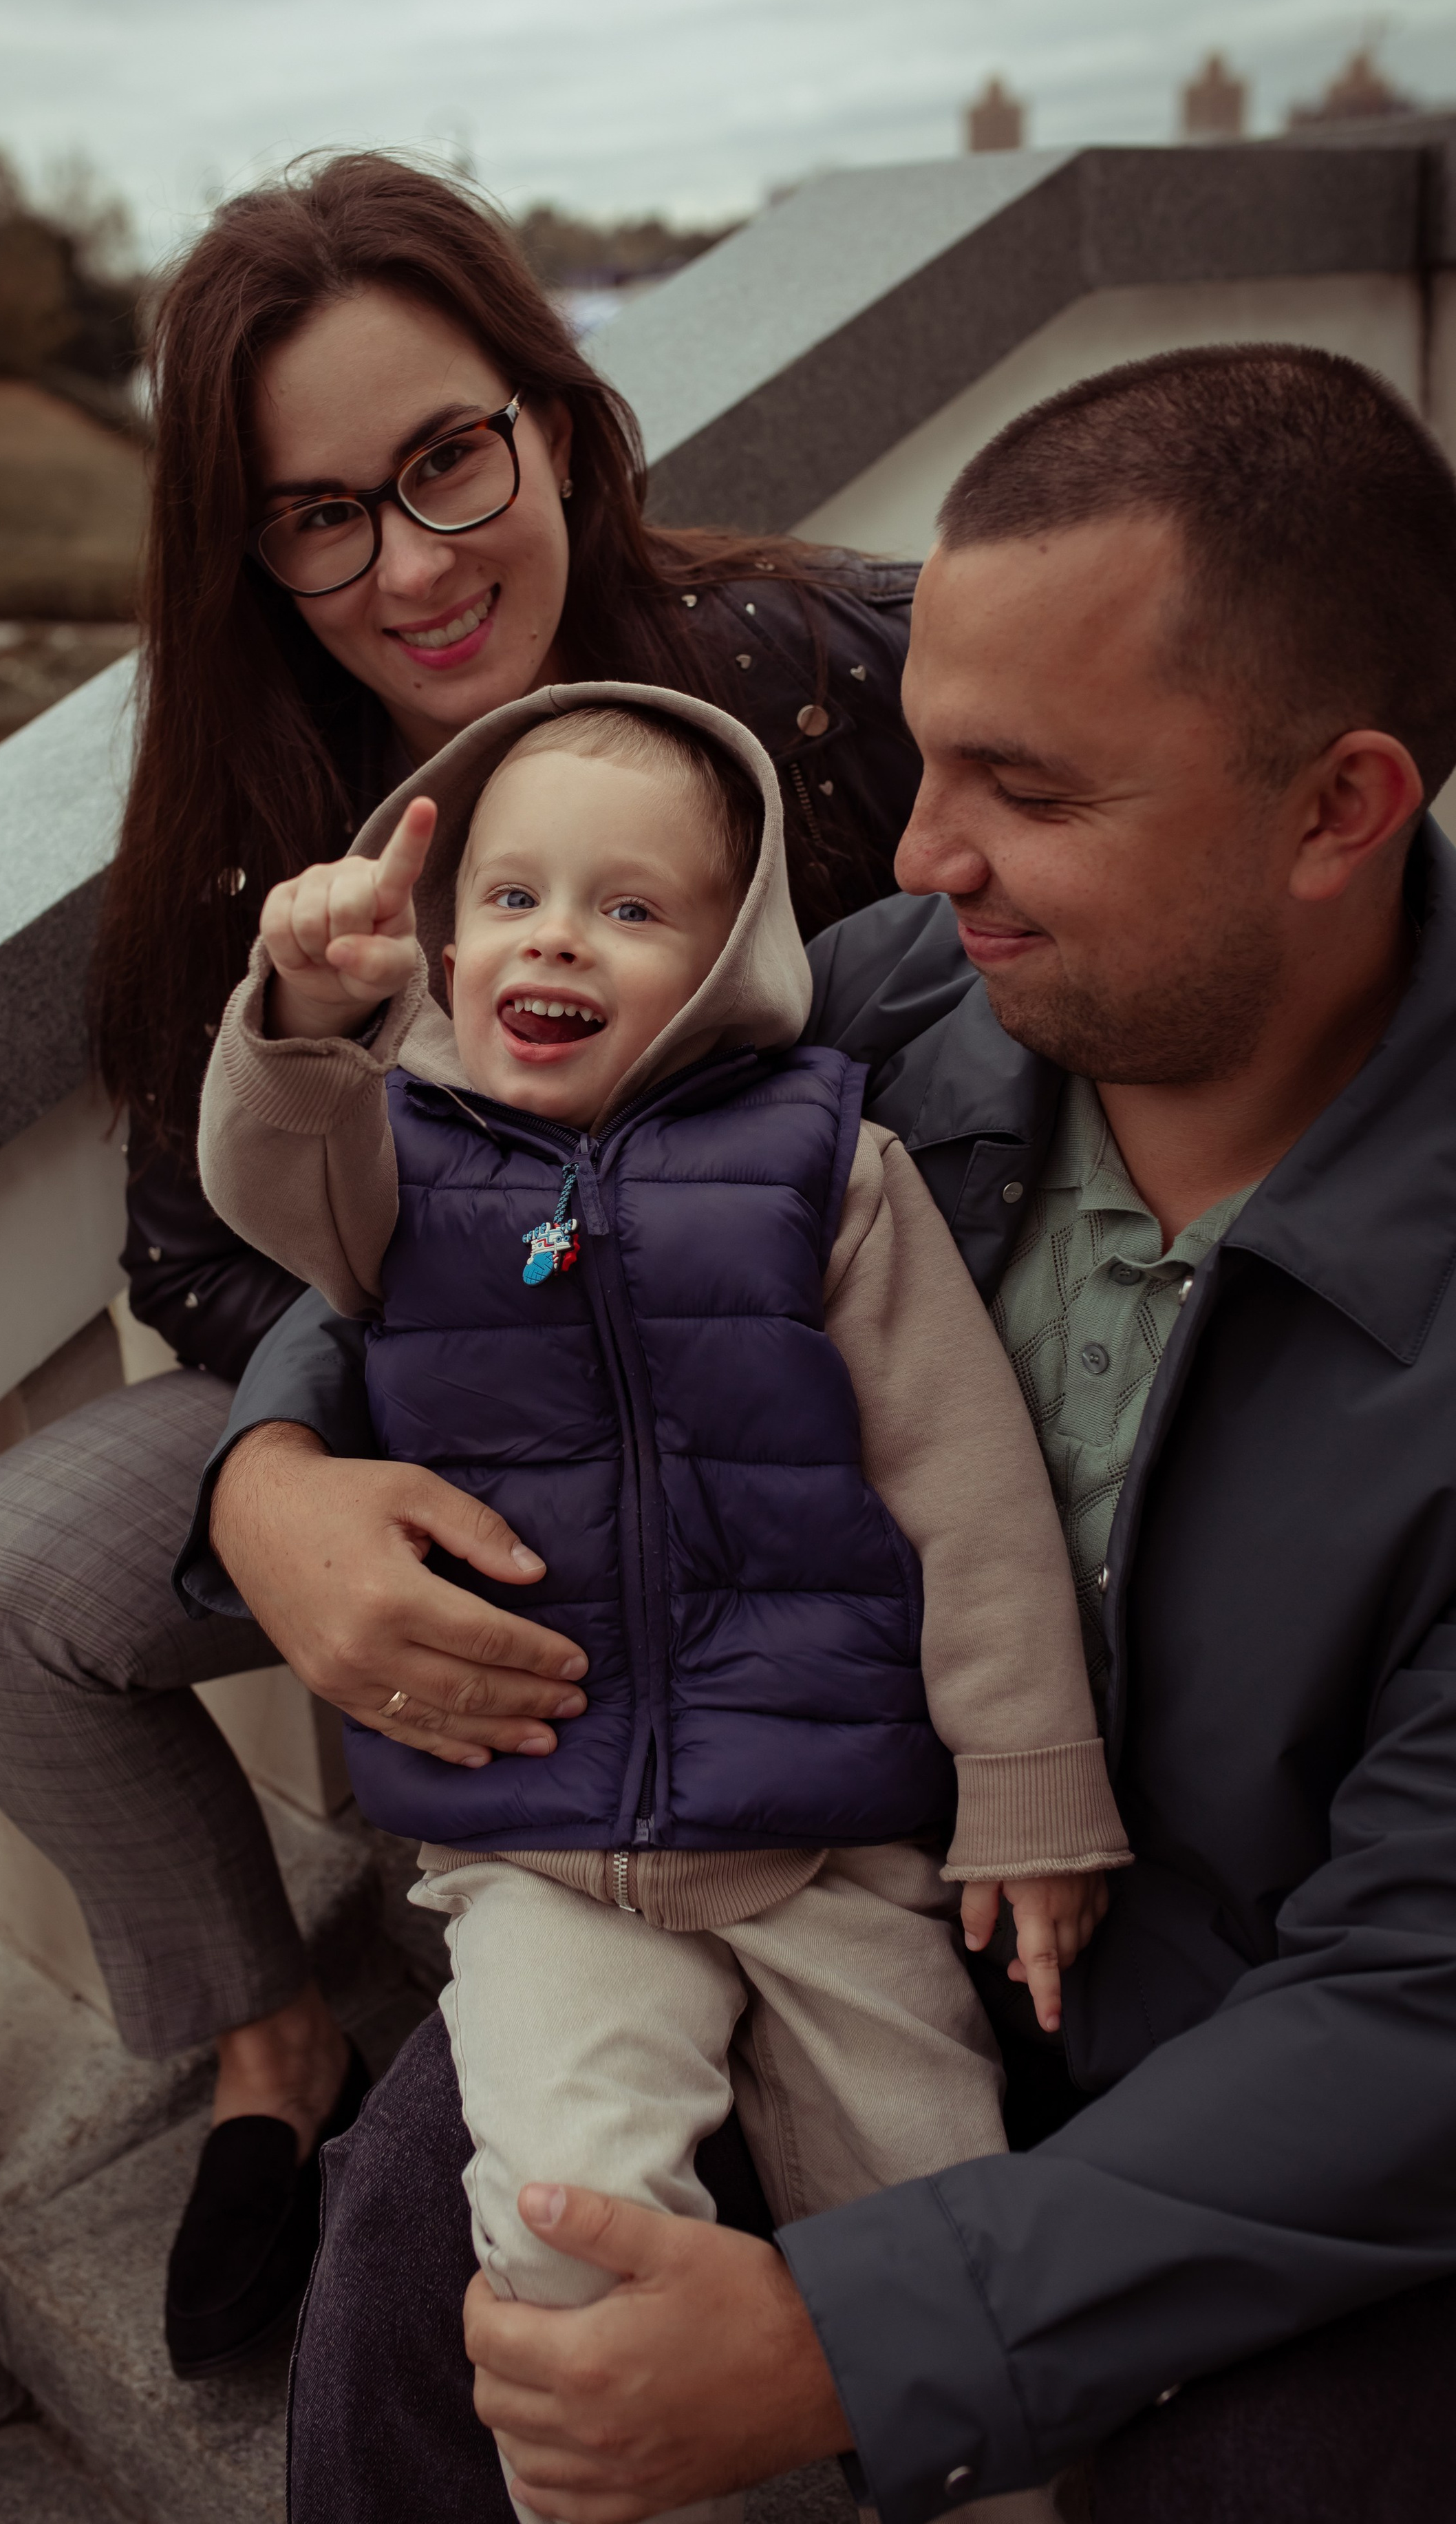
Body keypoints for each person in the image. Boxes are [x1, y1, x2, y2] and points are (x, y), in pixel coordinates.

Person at [178, 341, 1456, 2521]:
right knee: (420, 2251)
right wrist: (271, 1476)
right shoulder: (896, 996)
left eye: (1031, 791)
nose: (928, 847)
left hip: (1246, 2065)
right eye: (930, 755)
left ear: (1341, 805)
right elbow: (501, 1204)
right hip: (797, 1855)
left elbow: (1419, 2010)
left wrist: (853, 2332)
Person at [0, 147, 931, 2379]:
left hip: (795, 1414)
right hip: (428, 1371)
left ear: (552, 416)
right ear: (249, 548)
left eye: (448, 459)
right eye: (320, 511)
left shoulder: (801, 670)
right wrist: (290, 1466)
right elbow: (190, 1246)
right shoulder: (253, 810)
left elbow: (1113, 729)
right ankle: (270, 2038)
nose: (416, 564)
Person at [195, 681, 1131, 2523]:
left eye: (632, 908)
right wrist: (303, 1006)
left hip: (831, 1836)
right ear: (451, 944)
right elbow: (265, 1164)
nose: (558, 934)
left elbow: (970, 1485)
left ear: (726, 960)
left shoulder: (826, 1166)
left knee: (934, 2219)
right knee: (559, 2232)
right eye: (516, 897)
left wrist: (1029, 1779)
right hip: (548, 1855)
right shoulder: (397, 1163)